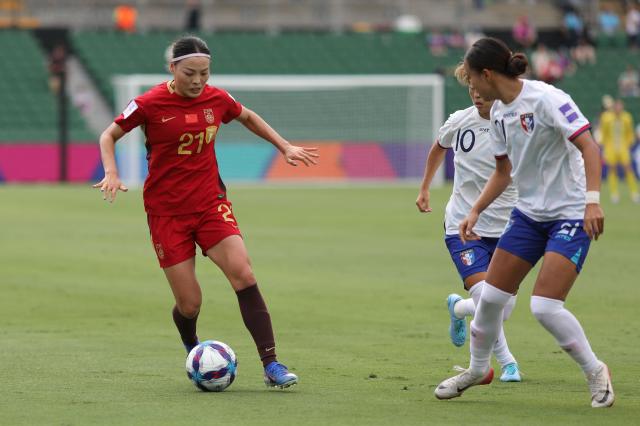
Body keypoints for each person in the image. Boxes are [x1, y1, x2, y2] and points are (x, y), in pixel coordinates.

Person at [93, 36, 319, 389]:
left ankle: (272, 364)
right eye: (189, 73)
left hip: (210, 203)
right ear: (172, 69)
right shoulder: (149, 103)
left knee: (243, 274)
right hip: (167, 213)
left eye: (204, 73)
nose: (198, 81)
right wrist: (111, 171)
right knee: (189, 303)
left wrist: (284, 145)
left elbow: (247, 117)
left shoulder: (217, 99)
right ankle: (191, 345)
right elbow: (109, 135)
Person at [434, 37, 614, 408]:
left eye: (471, 78)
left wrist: (592, 202)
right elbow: (503, 172)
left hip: (568, 214)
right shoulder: (499, 113)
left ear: (487, 74)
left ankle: (595, 371)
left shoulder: (548, 99)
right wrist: (475, 211)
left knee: (545, 307)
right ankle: (478, 369)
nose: (470, 87)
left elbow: (589, 147)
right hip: (528, 217)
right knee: (491, 301)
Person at [416, 64, 521, 382]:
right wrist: (424, 188)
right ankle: (507, 363)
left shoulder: (516, 124)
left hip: (508, 227)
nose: (476, 95)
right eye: (471, 90)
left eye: (480, 90)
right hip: (463, 226)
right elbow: (438, 147)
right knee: (487, 299)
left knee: (503, 307)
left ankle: (459, 309)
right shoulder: (459, 121)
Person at [599, 98, 640, 203]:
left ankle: (634, 192)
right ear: (614, 107)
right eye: (616, 106)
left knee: (628, 168)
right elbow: (603, 133)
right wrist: (603, 147)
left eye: (620, 106)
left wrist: (629, 143)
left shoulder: (627, 117)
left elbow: (630, 132)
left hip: (623, 147)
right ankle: (614, 194)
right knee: (612, 169)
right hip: (610, 147)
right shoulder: (606, 118)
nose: (618, 108)